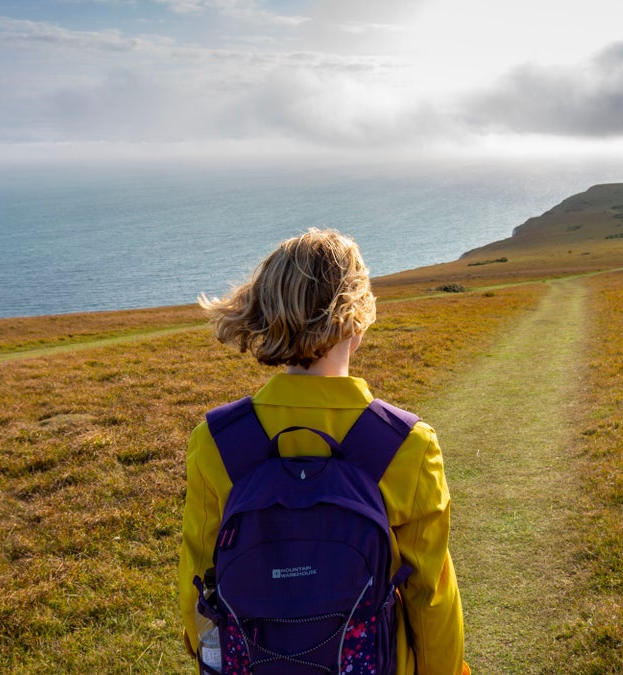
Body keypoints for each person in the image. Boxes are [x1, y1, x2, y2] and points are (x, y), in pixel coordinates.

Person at [178, 228, 470, 675]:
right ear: (359, 318)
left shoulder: (215, 442)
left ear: (266, 312)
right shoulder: (408, 445)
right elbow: (431, 596)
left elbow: (197, 588)